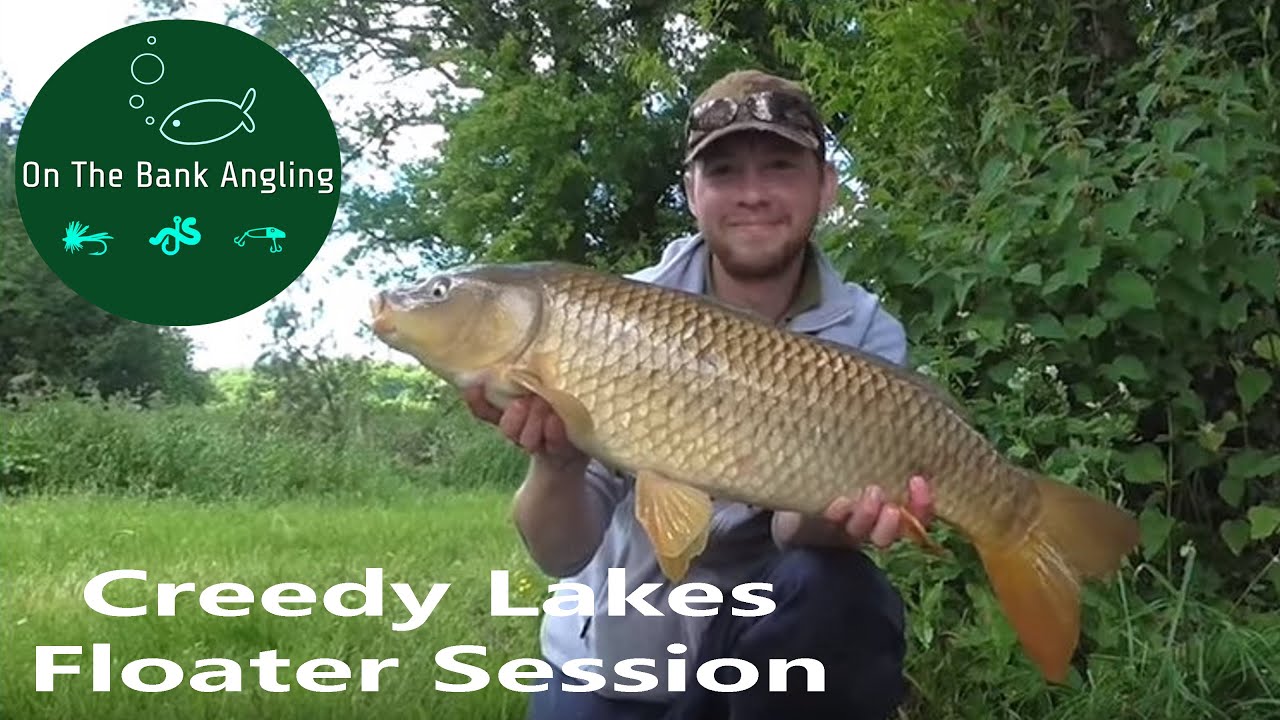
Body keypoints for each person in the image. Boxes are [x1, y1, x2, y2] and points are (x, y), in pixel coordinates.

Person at [462, 69, 935, 720]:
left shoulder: (864, 335)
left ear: (826, 185)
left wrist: (837, 512)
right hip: (616, 659)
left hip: (767, 647)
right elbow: (558, 553)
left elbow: (796, 529)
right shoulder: (613, 318)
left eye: (779, 167)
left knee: (834, 588)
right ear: (691, 192)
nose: (753, 194)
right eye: (723, 172)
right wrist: (559, 462)